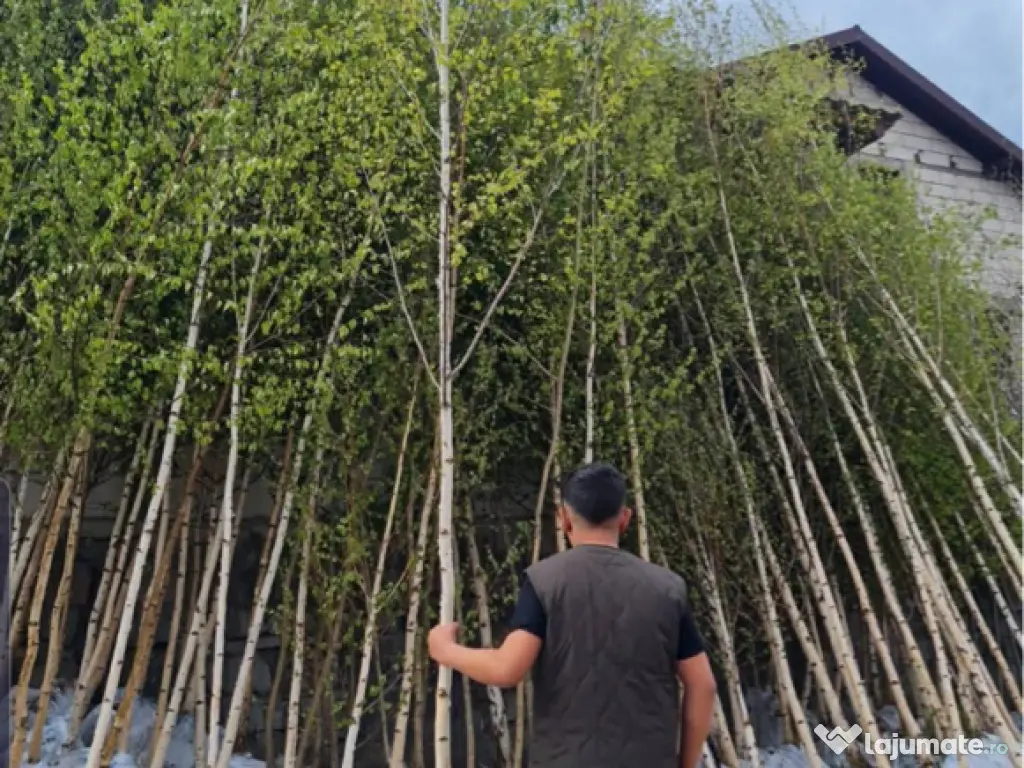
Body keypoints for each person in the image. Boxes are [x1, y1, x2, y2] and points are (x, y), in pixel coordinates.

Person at [427, 462, 717, 768]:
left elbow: (506, 669)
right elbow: (703, 685)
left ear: (564, 518)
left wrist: (446, 650)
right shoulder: (667, 588)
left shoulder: (544, 582)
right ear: (625, 518)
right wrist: (685, 763)